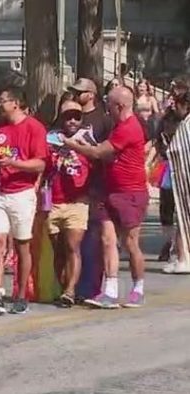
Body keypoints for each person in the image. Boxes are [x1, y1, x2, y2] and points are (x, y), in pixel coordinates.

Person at [64, 86, 149, 308]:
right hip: (109, 191)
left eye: (109, 104)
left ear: (119, 106)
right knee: (107, 239)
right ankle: (110, 291)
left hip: (130, 193)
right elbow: (105, 152)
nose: (107, 109)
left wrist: (72, 144)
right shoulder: (118, 126)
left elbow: (99, 153)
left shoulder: (129, 128)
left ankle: (138, 287)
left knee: (130, 243)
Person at [0, 87, 47, 315]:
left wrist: (14, 164)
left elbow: (39, 164)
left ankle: (21, 293)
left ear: (16, 103)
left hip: (22, 193)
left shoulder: (34, 128)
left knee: (22, 244)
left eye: (3, 101)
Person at [44, 101, 91, 307]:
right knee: (58, 250)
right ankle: (63, 286)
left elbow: (99, 162)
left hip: (77, 202)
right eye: (68, 116)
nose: (72, 120)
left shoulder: (88, 139)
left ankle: (70, 291)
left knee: (73, 246)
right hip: (53, 201)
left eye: (76, 116)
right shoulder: (49, 138)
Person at [152, 91, 190, 273]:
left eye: (178, 103)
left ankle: (183, 258)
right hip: (178, 173)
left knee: (183, 217)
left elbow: (180, 150)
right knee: (179, 217)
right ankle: (181, 255)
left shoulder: (186, 124)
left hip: (184, 175)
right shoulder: (180, 122)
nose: (174, 106)